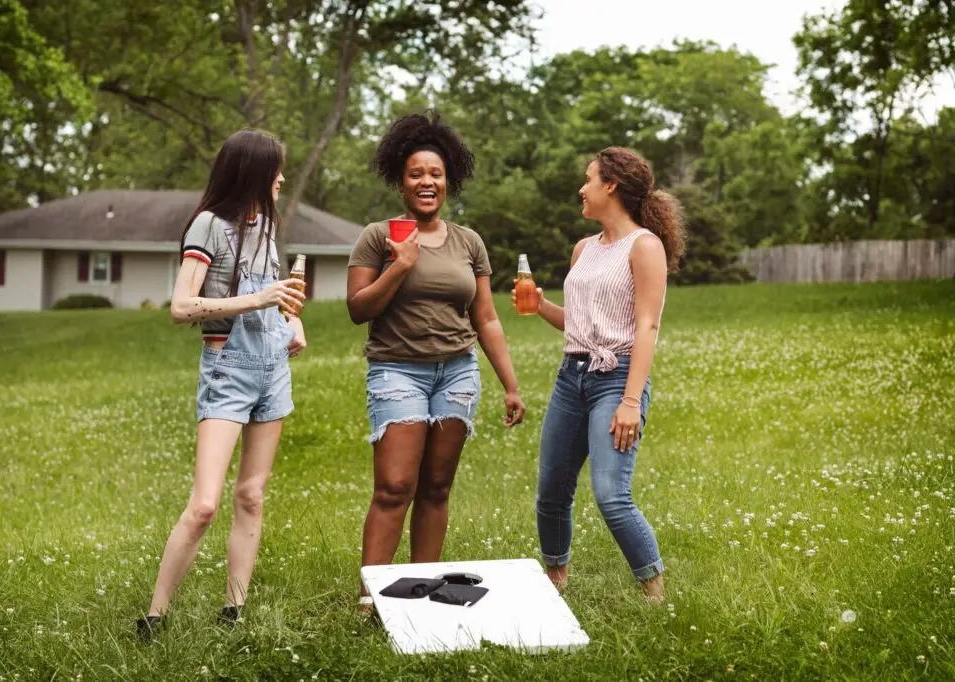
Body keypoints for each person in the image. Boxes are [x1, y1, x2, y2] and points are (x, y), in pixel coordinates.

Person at [347, 112, 525, 611]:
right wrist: (399, 266)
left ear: (449, 181)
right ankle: (373, 596)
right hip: (396, 369)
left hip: (458, 371)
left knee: (437, 485)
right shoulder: (377, 237)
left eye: (436, 174)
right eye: (416, 174)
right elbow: (358, 309)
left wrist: (510, 384)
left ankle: (420, 593)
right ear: (400, 182)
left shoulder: (468, 242)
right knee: (394, 486)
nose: (427, 182)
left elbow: (486, 318)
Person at [137, 129, 307, 639]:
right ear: (251, 172)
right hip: (227, 369)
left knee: (252, 495)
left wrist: (294, 321)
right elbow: (182, 307)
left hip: (272, 370)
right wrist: (259, 302)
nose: (281, 178)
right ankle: (154, 615)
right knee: (205, 504)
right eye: (274, 168)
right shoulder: (208, 227)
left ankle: (234, 609)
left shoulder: (268, 229)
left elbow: (275, 295)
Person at [526, 146, 685, 601]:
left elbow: (646, 326)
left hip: (615, 381)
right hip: (570, 378)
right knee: (551, 491)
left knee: (611, 495)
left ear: (610, 185)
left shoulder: (644, 246)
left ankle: (654, 591)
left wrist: (631, 401)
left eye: (588, 178)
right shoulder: (584, 248)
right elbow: (578, 324)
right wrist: (540, 307)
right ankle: (556, 584)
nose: (582, 187)